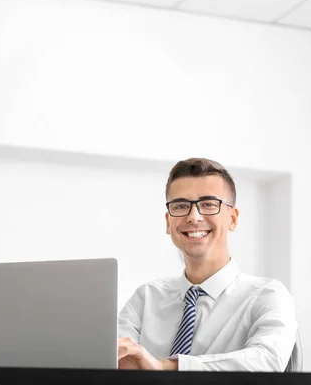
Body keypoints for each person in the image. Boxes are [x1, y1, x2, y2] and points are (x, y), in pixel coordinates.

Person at [117, 158, 297, 371]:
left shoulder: (268, 295)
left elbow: (267, 360)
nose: (194, 217)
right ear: (168, 222)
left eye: (208, 204)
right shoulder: (146, 298)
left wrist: (168, 367)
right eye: (181, 205)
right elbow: (107, 357)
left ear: (233, 218)